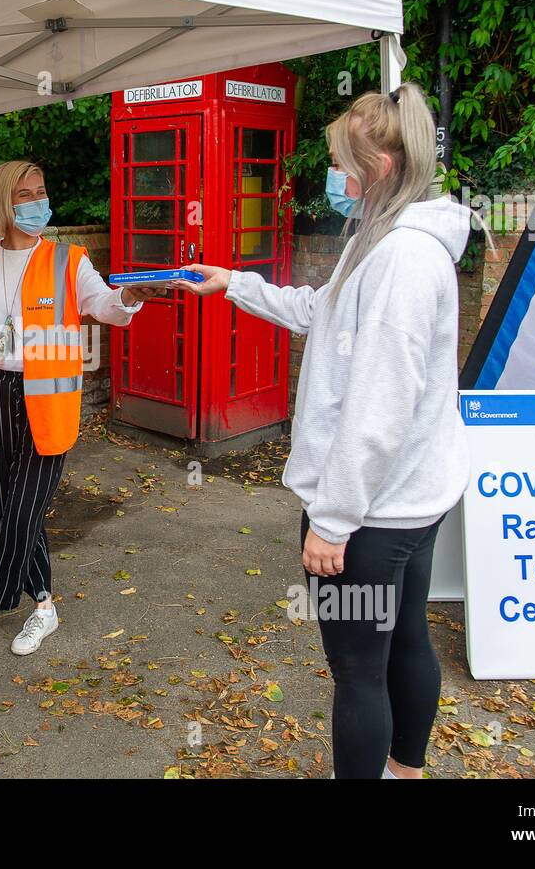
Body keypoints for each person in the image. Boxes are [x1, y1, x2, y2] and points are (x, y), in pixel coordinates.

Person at [172, 82, 472, 778]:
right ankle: (407, 769)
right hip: (414, 497)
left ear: (382, 169)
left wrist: (333, 521)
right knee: (405, 639)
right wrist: (235, 283)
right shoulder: (383, 236)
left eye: (343, 160)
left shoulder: (400, 259)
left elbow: (379, 407)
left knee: (359, 670)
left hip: (373, 510)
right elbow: (320, 310)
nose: (332, 174)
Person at [0, 160, 162, 655]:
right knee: (10, 509)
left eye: (41, 191)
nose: (38, 201)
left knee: (23, 511)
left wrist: (129, 295)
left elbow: (106, 306)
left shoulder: (69, 259)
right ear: (2, 202)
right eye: (25, 194)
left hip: (49, 401)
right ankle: (44, 607)